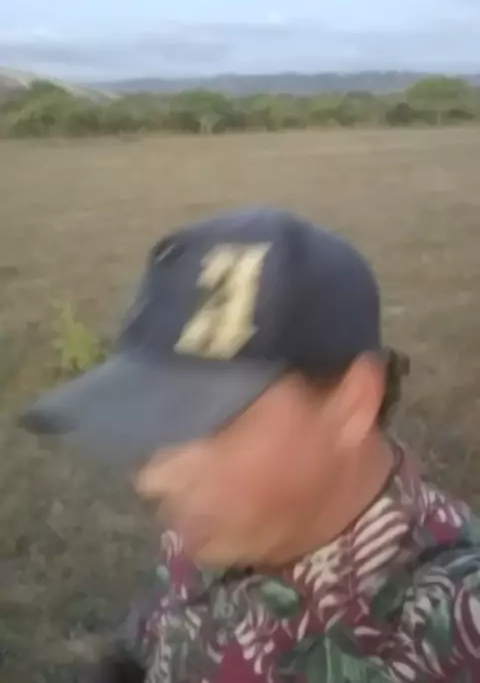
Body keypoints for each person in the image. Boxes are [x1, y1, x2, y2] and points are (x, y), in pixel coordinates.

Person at [20, 207, 480, 683]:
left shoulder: (448, 636)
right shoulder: (217, 520)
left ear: (351, 404)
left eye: (207, 420)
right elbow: (147, 648)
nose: (151, 479)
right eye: (159, 418)